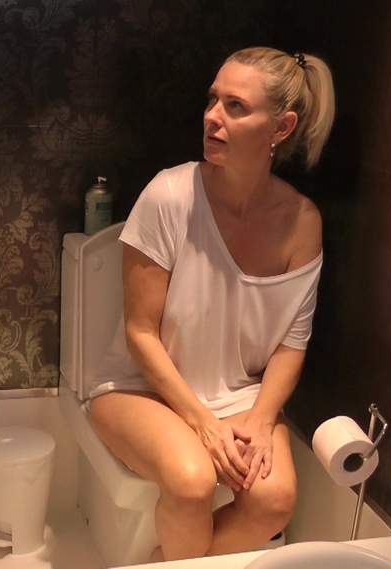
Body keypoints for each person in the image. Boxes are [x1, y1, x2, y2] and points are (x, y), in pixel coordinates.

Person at [88, 47, 335, 562]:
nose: (212, 116)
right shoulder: (170, 196)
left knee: (274, 500)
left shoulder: (302, 223)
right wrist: (202, 423)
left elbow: (291, 345)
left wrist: (262, 419)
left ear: (282, 127)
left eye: (235, 106)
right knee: (192, 481)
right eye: (212, 100)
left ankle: (162, 563)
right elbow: (140, 334)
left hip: (238, 396)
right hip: (139, 390)